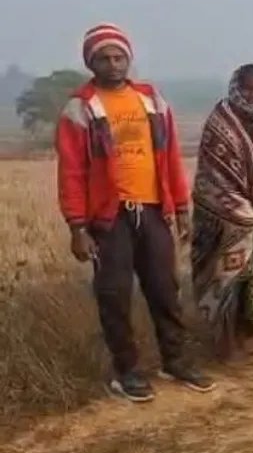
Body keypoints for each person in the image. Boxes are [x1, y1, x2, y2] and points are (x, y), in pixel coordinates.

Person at [56, 23, 211, 402]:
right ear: (90, 63)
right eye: (104, 58)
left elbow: (170, 157)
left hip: (154, 211)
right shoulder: (80, 108)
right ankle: (126, 371)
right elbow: (71, 172)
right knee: (115, 294)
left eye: (119, 57)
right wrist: (77, 227)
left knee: (165, 288)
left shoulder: (151, 101)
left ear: (129, 59)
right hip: (109, 219)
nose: (113, 64)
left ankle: (175, 361)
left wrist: (181, 208)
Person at [191, 64, 253, 361]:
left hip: (252, 213)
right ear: (235, 88)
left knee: (248, 276)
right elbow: (214, 175)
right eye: (249, 89)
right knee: (226, 277)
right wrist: (241, 213)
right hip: (220, 214)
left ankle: (242, 335)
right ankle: (224, 342)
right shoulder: (220, 122)